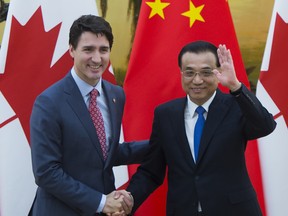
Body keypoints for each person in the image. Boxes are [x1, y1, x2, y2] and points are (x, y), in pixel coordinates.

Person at [125, 40, 277, 216]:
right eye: (189, 73)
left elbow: (266, 126)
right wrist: (128, 200)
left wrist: (235, 86)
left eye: (206, 72)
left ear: (218, 72)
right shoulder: (165, 114)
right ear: (181, 73)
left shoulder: (236, 106)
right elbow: (152, 170)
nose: (197, 80)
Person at [29, 15, 148, 216]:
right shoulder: (48, 102)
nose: (96, 58)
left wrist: (159, 143)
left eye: (103, 50)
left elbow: (104, 153)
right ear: (72, 50)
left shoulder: (116, 94)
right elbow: (46, 173)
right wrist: (101, 202)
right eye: (88, 49)